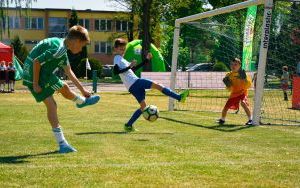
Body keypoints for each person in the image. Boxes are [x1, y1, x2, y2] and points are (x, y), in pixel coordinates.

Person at [23, 25, 100, 153]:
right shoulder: (59, 49)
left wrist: (83, 90)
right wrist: (36, 84)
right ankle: (62, 144)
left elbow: (69, 72)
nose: (81, 50)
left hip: (43, 73)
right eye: (82, 46)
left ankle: (81, 101)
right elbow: (36, 61)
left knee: (64, 87)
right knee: (52, 106)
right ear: (75, 41)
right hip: (35, 75)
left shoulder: (61, 47)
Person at [113, 38, 189, 132]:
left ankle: (128, 125)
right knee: (157, 85)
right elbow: (116, 71)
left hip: (132, 86)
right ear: (115, 49)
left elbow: (133, 69)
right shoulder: (117, 58)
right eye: (120, 49)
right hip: (135, 82)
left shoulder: (122, 59)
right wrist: (129, 66)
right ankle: (179, 97)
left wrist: (146, 60)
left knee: (143, 107)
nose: (122, 51)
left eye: (124, 49)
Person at [217, 58, 253, 126]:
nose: (233, 66)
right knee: (226, 108)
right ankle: (222, 119)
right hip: (234, 94)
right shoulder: (228, 75)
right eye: (232, 64)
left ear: (239, 65)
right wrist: (228, 84)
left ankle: (251, 119)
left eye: (235, 64)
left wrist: (244, 79)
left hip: (242, 92)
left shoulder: (243, 73)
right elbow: (230, 89)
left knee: (243, 103)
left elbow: (248, 85)